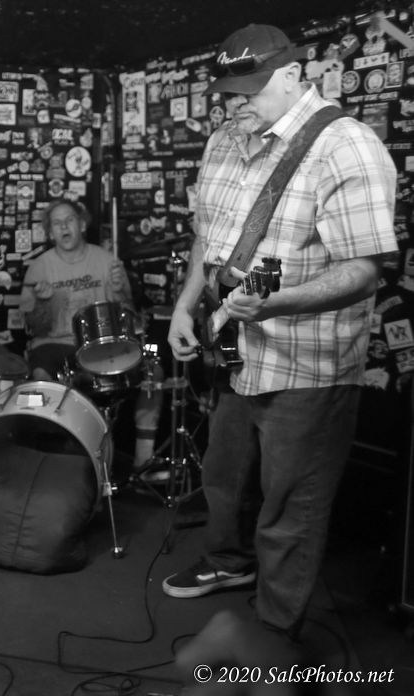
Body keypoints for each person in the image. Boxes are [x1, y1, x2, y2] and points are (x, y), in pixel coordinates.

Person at [163, 23, 398, 641]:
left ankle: (275, 633)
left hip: (306, 361)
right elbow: (208, 237)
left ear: (293, 75)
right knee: (223, 476)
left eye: (250, 90)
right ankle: (226, 562)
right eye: (227, 93)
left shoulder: (347, 146)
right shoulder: (224, 139)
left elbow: (363, 271)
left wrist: (273, 304)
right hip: (233, 347)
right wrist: (184, 306)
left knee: (290, 505)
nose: (234, 105)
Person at [18, 199, 164, 474]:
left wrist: (120, 293)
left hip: (101, 344)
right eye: (56, 223)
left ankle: (143, 461)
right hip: (56, 344)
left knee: (152, 373)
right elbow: (34, 328)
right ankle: (51, 465)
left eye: (69, 220)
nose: (64, 226)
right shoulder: (40, 267)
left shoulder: (108, 261)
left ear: (82, 225)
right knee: (40, 376)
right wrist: (42, 303)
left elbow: (129, 317)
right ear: (50, 232)